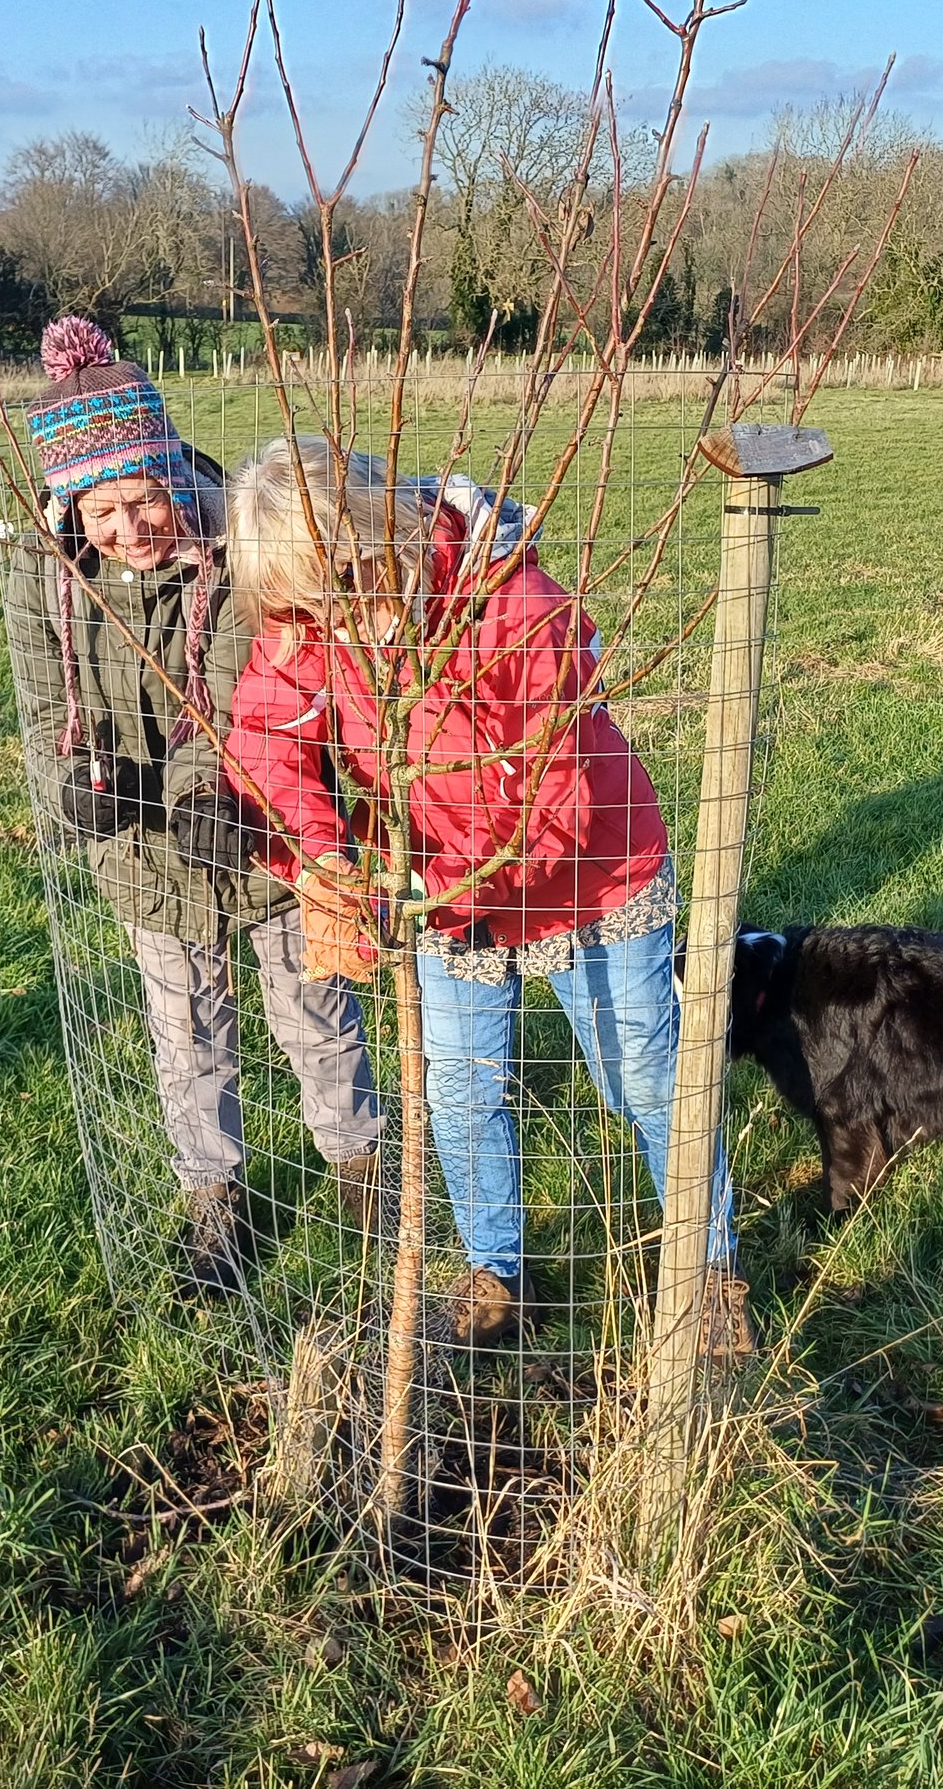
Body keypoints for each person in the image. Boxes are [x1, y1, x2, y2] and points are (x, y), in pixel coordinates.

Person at [220, 434, 745, 1359]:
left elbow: (561, 793)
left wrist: (452, 891)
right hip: (437, 885)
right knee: (460, 1093)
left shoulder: (512, 604)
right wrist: (328, 857)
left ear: (381, 543)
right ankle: (492, 1269)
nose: (325, 632)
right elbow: (267, 735)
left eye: (337, 601)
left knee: (648, 1081)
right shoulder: (312, 620)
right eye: (302, 613)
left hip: (589, 875)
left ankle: (708, 1274)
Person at [7, 321, 383, 1296]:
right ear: (67, 507)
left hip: (260, 830)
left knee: (313, 1009)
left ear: (174, 472)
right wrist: (76, 785)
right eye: (102, 510)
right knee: (185, 1032)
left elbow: (242, 693)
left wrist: (206, 791)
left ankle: (359, 1167)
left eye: (146, 498)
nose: (131, 528)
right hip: (139, 854)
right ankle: (211, 1201)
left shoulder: (241, 544)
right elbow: (44, 703)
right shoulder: (45, 578)